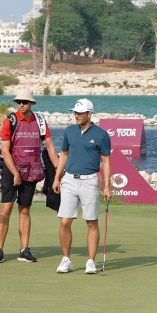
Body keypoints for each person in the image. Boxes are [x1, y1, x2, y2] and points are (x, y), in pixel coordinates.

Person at [0, 88, 59, 264]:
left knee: (24, 209)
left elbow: (50, 146)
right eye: (19, 102)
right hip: (11, 170)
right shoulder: (10, 121)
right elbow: (5, 151)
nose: (21, 105)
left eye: (24, 102)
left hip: (30, 170)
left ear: (31, 103)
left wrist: (58, 169)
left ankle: (24, 250)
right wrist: (15, 173)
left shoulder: (40, 120)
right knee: (6, 208)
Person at [52, 98, 111, 275]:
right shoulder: (69, 131)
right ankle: (66, 259)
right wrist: (57, 178)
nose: (76, 116)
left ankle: (90, 262)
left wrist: (107, 186)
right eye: (75, 113)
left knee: (91, 222)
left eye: (80, 113)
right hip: (69, 180)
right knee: (64, 221)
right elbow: (64, 154)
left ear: (89, 114)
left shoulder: (101, 135)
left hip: (90, 181)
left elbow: (106, 161)